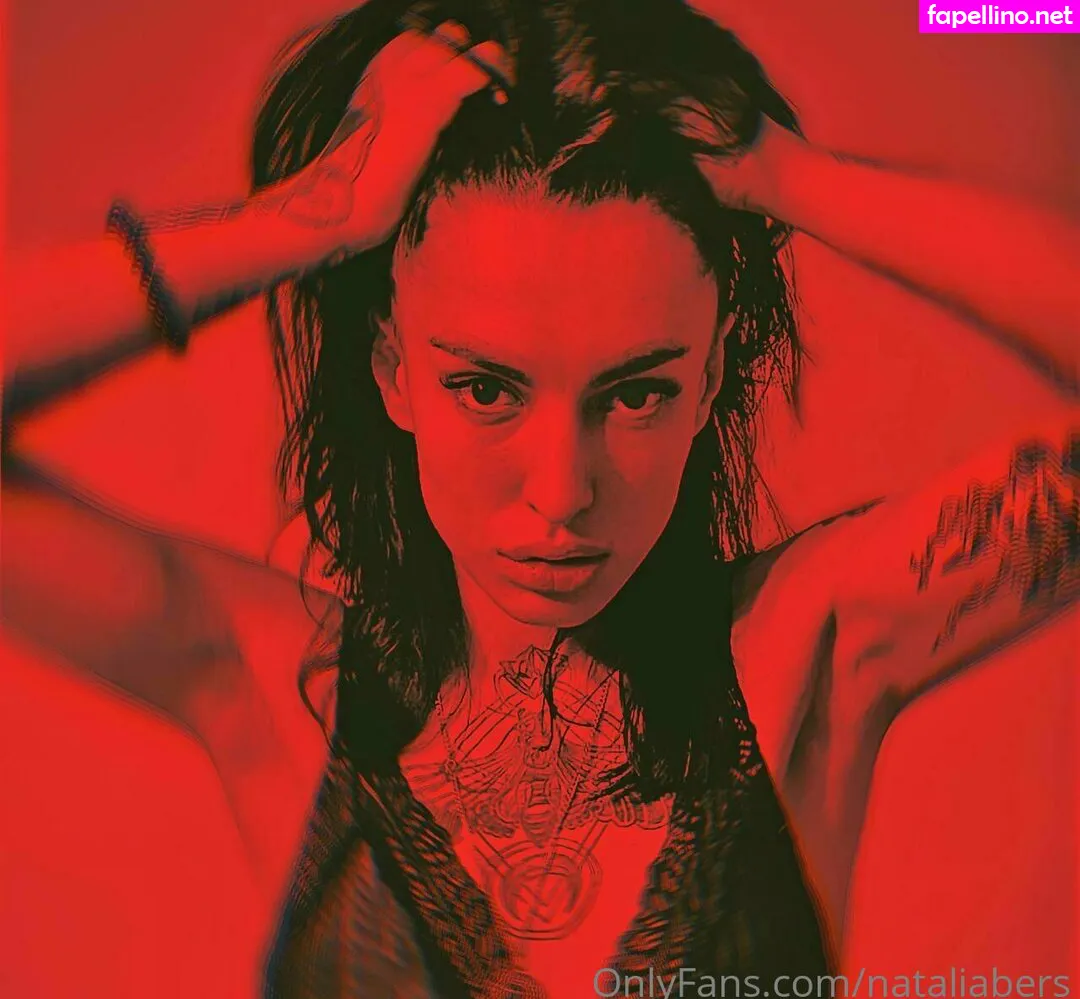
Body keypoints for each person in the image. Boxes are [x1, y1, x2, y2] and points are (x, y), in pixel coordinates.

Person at [3, 0, 1077, 996]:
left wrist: (791, 177)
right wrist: (314, 216)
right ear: (392, 370)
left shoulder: (809, 650)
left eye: (638, 393)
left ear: (711, 375)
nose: (562, 492)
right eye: (485, 389)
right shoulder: (285, 691)